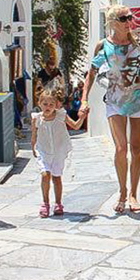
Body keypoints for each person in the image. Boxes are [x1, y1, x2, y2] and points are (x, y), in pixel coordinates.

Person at [80, 5, 140, 213]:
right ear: (113, 22)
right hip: (115, 101)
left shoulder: (139, 45)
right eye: (124, 18)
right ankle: (122, 191)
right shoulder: (103, 46)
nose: (129, 22)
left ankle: (134, 193)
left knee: (136, 148)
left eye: (130, 17)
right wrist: (84, 100)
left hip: (138, 100)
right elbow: (90, 73)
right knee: (120, 149)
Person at [31, 86, 88, 218]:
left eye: (51, 104)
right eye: (45, 104)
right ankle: (45, 203)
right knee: (45, 175)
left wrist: (82, 117)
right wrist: (33, 147)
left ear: (56, 104)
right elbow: (34, 134)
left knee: (56, 177)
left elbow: (75, 126)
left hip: (58, 151)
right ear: (39, 103)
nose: (48, 107)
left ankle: (58, 203)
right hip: (43, 151)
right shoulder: (37, 118)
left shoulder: (61, 115)